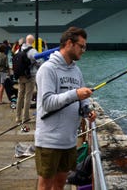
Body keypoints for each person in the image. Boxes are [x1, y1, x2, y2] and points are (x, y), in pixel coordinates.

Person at [34, 27, 96, 190]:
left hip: (69, 141)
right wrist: (75, 93)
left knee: (61, 183)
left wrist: (87, 110)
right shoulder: (48, 69)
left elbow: (82, 99)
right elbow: (47, 103)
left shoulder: (76, 70)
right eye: (81, 46)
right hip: (49, 141)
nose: (83, 50)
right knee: (45, 184)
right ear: (69, 43)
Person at [15, 34, 39, 130]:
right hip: (30, 76)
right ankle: (25, 117)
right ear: (32, 42)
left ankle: (18, 117)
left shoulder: (18, 50)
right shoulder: (33, 51)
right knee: (28, 97)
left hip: (20, 76)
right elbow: (39, 62)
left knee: (20, 96)